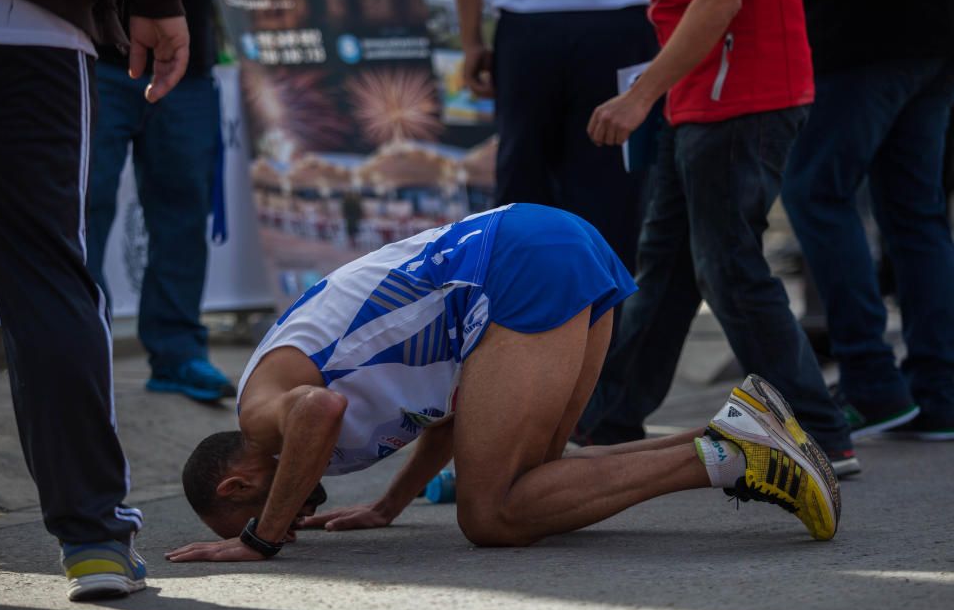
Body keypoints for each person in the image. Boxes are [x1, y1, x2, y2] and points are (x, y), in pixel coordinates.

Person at [165, 204, 840, 564]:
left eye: (256, 514)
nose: (291, 527)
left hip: (513, 262)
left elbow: (319, 407)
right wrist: (389, 504)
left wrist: (257, 540)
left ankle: (729, 459)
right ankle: (738, 429)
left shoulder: (260, 415)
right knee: (538, 482)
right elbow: (453, 413)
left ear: (237, 485)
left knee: (491, 514)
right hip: (544, 244)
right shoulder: (293, 421)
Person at [0, 0, 188, 600]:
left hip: (30, 14)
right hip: (26, 12)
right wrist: (159, 0)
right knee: (44, 277)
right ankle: (94, 542)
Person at [582, 0, 860, 476]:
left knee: (729, 268)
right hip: (696, 93)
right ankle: (607, 419)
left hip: (741, 93)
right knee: (668, 267)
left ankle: (815, 432)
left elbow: (720, 0)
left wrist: (639, 96)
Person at [455, 0, 659, 446]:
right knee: (593, 209)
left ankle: (543, 390)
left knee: (545, 212)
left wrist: (471, 40)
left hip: (558, 25)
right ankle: (587, 402)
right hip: (604, 24)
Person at [779, 0, 954, 442]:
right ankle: (939, 391)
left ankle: (871, 381)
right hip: (933, 30)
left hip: (855, 33)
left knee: (815, 194)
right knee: (916, 212)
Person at [85, 0, 233, 404]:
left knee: (184, 214)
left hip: (189, 60)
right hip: (96, 50)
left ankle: (177, 353)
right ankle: (80, 352)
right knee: (83, 209)